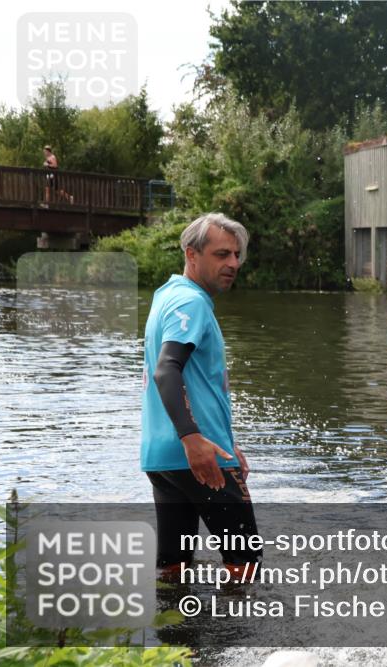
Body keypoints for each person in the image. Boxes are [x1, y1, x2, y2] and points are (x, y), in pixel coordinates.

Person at [141, 212, 260, 575]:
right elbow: (166, 370)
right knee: (245, 566)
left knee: (174, 569)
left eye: (236, 255)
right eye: (222, 254)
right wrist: (193, 439)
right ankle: (239, 619)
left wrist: (226, 441)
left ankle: (174, 617)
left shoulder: (168, 295)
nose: (233, 263)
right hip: (199, 456)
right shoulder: (190, 302)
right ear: (192, 255)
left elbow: (195, 381)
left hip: (163, 458)